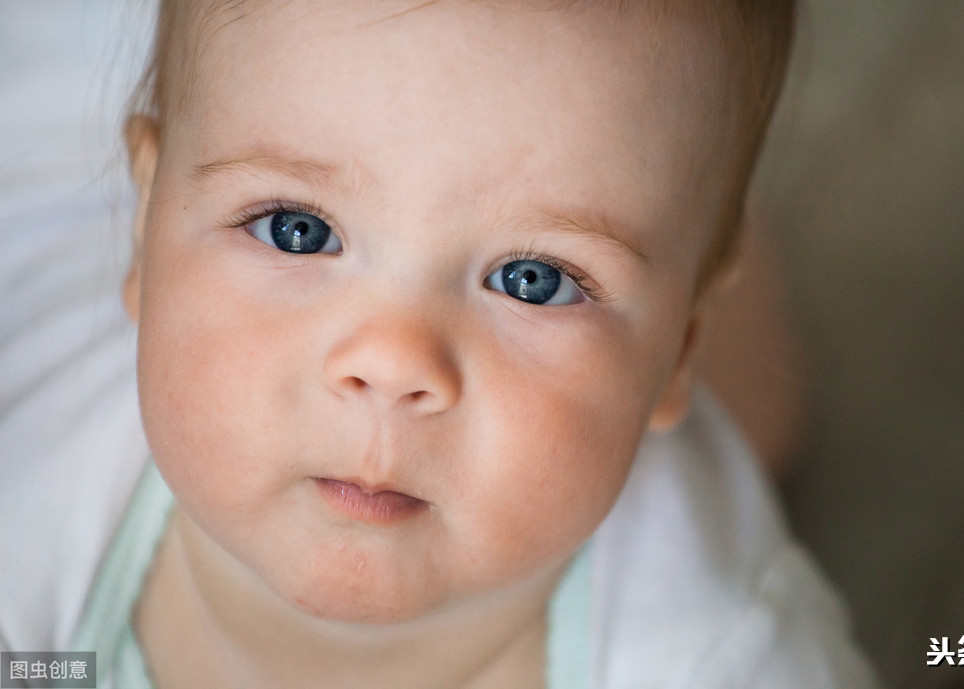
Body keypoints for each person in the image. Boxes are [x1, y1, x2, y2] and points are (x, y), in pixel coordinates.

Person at [0, 1, 877, 687]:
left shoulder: (713, 651)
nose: (391, 362)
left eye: (535, 278)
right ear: (145, 233)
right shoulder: (35, 497)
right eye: (296, 229)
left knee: (760, 416)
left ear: (682, 346)